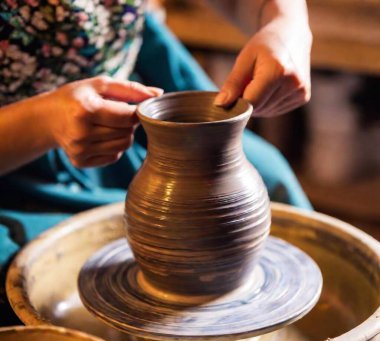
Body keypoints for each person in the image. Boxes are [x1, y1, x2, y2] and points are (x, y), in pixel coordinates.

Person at [0, 0, 312, 323]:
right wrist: (43, 123)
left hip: (137, 96)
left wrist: (285, 24)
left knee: (274, 183)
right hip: (18, 152)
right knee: (21, 288)